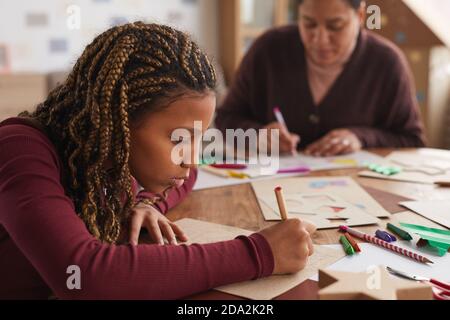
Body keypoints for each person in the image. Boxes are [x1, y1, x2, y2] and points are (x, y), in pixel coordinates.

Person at [0, 22, 315, 299]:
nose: (191, 159)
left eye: (198, 138)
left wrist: (146, 203)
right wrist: (259, 253)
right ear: (117, 121)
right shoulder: (19, 148)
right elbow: (85, 276)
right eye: (179, 139)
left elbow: (188, 177)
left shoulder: (114, 163)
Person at [215, 0, 426, 157]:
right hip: (272, 189)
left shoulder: (386, 63)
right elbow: (225, 119)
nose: (320, 39)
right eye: (308, 24)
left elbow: (412, 140)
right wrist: (258, 134)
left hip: (357, 198)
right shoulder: (267, 50)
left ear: (360, 16)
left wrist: (360, 137)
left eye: (335, 26)